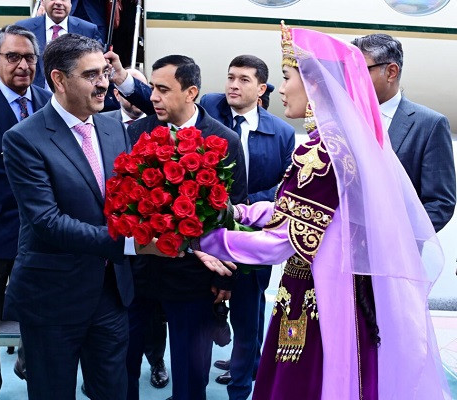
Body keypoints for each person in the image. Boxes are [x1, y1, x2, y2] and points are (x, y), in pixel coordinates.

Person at [192, 23, 451, 400]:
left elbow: (283, 241)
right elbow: (298, 211)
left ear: (314, 83)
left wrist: (205, 237)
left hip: (314, 295)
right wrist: (241, 213)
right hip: (344, 290)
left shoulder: (321, 151)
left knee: (305, 382)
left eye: (285, 78)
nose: (280, 89)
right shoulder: (343, 144)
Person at [1, 33, 168, 400]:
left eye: (105, 73)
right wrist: (132, 244)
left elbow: (131, 198)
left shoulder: (112, 127)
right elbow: (48, 222)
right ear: (59, 79)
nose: (104, 83)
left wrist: (170, 228)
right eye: (91, 75)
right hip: (53, 298)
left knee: (113, 391)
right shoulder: (24, 139)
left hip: (112, 295)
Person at [106, 52, 248, 400]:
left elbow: (234, 217)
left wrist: (222, 278)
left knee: (190, 372)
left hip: (193, 279)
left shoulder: (223, 141)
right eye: (152, 88)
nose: (152, 97)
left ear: (191, 92)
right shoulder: (137, 132)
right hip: (139, 273)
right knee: (122, 367)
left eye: (163, 89)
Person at [199, 55, 294, 399]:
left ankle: (241, 385)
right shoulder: (210, 110)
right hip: (210, 236)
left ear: (261, 89)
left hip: (255, 237)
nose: (233, 86)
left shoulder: (281, 132)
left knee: (247, 316)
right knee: (202, 315)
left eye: (243, 80)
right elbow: (170, 97)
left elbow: (286, 187)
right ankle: (199, 380)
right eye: (230, 78)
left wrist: (243, 207)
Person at [0, 25, 50, 400]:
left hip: (43, 233)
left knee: (42, 319)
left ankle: (32, 370)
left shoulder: (53, 102)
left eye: (30, 57)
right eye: (12, 56)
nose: (22, 65)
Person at [103, 67, 171, 391]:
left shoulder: (155, 125)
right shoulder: (102, 125)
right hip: (114, 241)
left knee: (154, 315)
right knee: (120, 314)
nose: (148, 96)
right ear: (117, 94)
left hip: (152, 243)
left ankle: (156, 360)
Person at [351, 33, 455, 232]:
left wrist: (400, 240)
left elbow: (440, 203)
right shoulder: (345, 119)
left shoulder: (429, 125)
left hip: (397, 256)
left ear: (391, 72)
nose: (352, 79)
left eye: (360, 70)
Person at [16, 0, 102, 89]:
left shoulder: (88, 30)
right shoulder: (24, 28)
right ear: (42, 1)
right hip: (37, 98)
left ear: (71, 3)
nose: (58, 2)